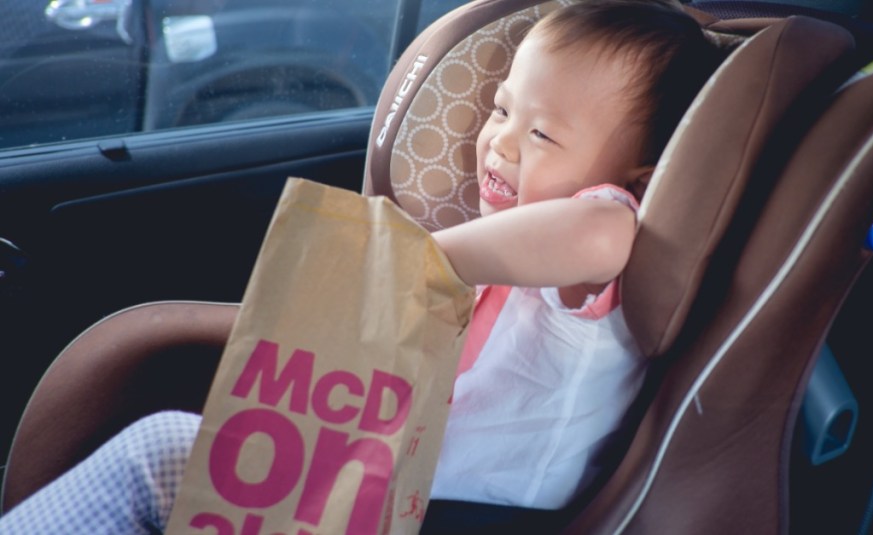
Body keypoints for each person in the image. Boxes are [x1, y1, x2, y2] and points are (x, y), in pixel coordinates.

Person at [0, 1, 721, 533]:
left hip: (471, 514)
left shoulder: (600, 239)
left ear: (640, 177)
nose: (499, 142)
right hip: (400, 482)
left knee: (160, 452)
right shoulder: (524, 245)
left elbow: (601, 230)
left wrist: (420, 258)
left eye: (540, 133)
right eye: (502, 110)